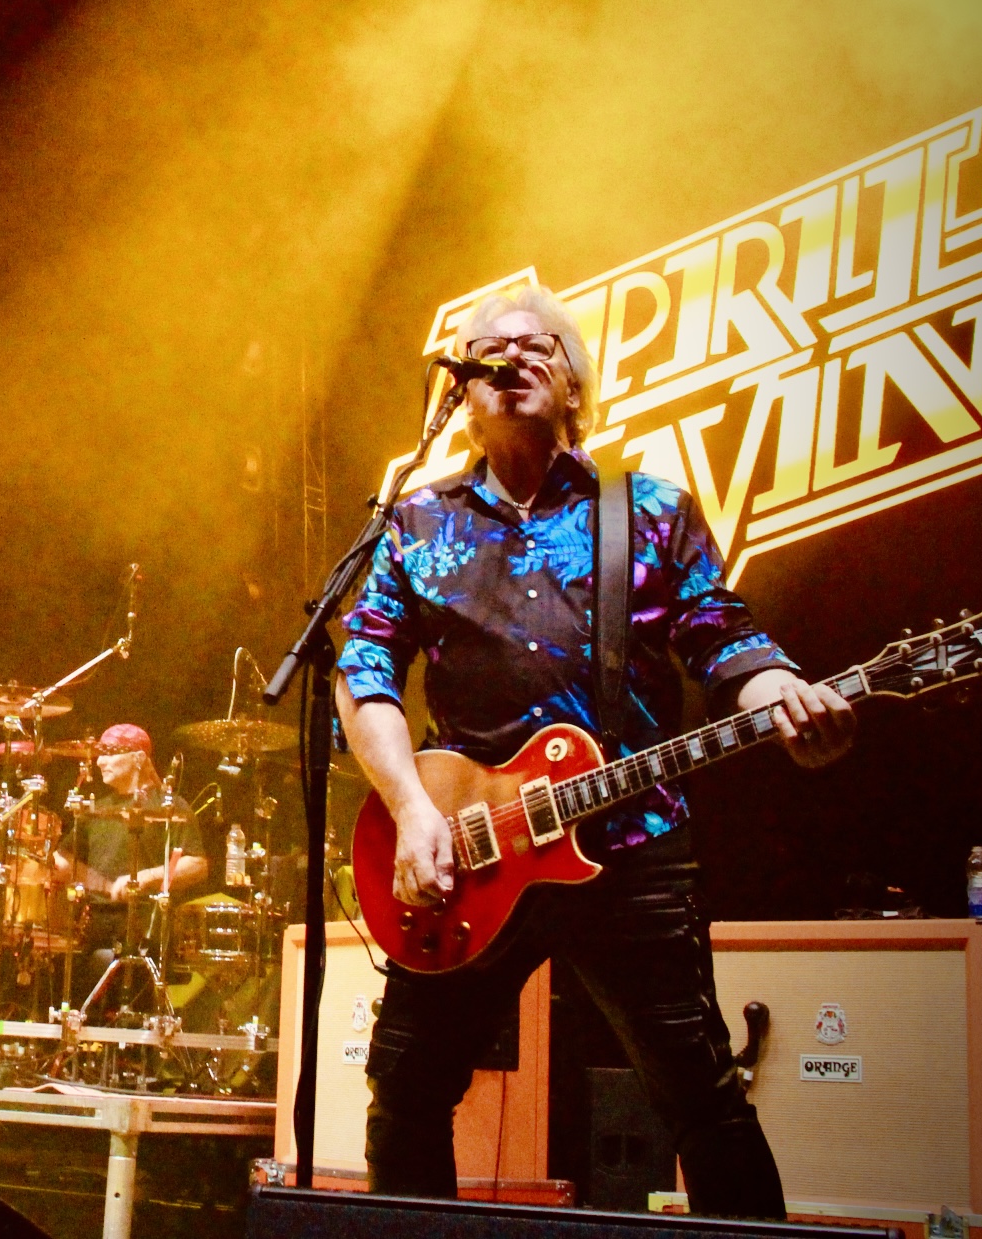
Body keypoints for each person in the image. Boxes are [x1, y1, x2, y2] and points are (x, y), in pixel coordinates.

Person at [335, 283, 855, 1216]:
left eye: (535, 344)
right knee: (406, 1094)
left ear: (573, 381)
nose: (511, 357)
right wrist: (412, 809)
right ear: (463, 390)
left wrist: (781, 694)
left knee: (702, 1099)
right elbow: (364, 665)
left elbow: (723, 637)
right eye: (488, 350)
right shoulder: (416, 522)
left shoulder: (646, 509)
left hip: (629, 843)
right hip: (468, 854)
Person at [64, 724, 208, 1015]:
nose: (100, 762)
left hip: (147, 922)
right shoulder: (96, 809)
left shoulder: (171, 807)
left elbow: (197, 865)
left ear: (138, 758)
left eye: (110, 754)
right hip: (96, 921)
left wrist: (148, 877)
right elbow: (64, 860)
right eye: (100, 754)